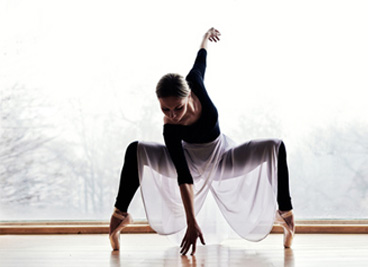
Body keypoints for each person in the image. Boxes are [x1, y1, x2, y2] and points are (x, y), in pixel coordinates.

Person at [109, 28, 295, 255]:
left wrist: (206, 37)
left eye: (178, 108)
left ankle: (286, 214)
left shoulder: (194, 81)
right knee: (135, 150)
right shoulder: (170, 129)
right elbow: (183, 175)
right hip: (188, 163)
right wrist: (191, 221)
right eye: (165, 109)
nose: (173, 115)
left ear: (188, 95)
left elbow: (201, 58)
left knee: (276, 146)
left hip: (223, 159)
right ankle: (119, 216)